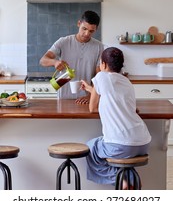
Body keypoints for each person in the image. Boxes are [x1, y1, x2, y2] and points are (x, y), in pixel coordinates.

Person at [81, 47, 151, 189]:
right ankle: (132, 179)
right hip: (143, 142)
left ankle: (123, 180)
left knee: (91, 147)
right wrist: (90, 88)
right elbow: (114, 97)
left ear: (104, 64)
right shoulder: (126, 82)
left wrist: (93, 87)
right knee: (121, 156)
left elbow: (92, 108)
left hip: (121, 145)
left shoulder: (101, 76)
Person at [39, 10, 104, 104]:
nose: (86, 34)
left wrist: (91, 95)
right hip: (63, 97)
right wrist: (55, 62)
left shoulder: (99, 46)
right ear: (79, 23)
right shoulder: (63, 42)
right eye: (84, 29)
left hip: (85, 99)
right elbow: (43, 60)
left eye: (91, 31)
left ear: (96, 29)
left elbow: (98, 75)